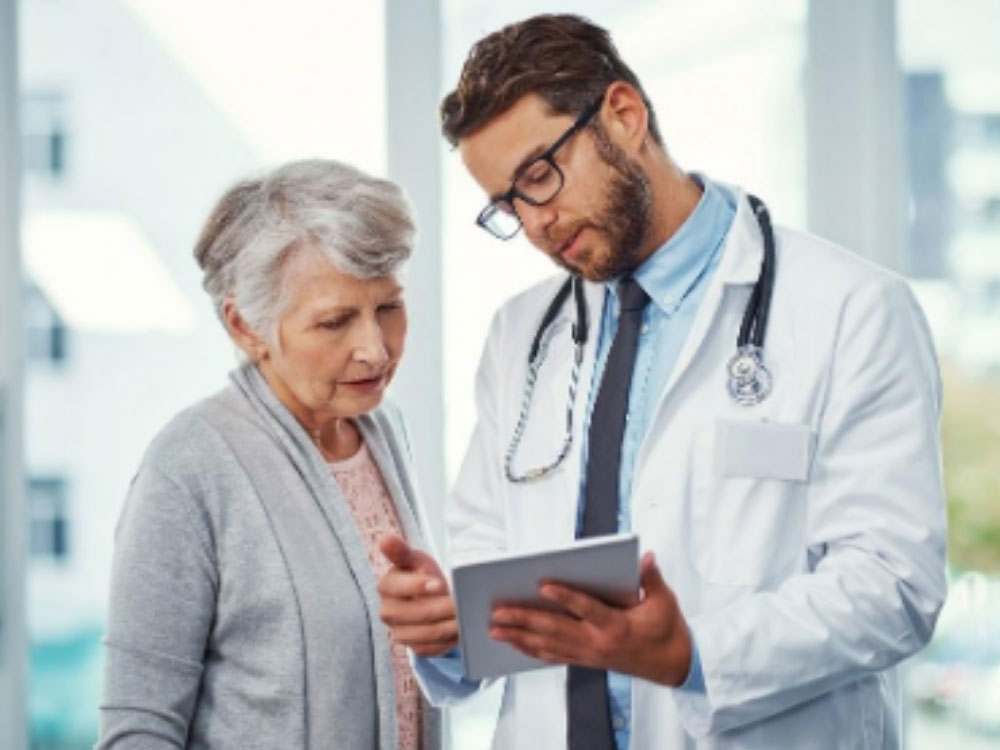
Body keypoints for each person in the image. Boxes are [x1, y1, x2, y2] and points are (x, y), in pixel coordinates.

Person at [377, 13, 947, 750]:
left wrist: (695, 656)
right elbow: (497, 570)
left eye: (540, 175)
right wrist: (450, 626)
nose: (537, 221)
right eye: (507, 205)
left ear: (623, 115)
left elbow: (893, 585)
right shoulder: (521, 336)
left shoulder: (851, 310)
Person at [97, 159, 441, 750]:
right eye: (334, 321)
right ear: (244, 325)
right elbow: (137, 728)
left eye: (388, 307)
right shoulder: (188, 466)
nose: (375, 349)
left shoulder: (383, 430)